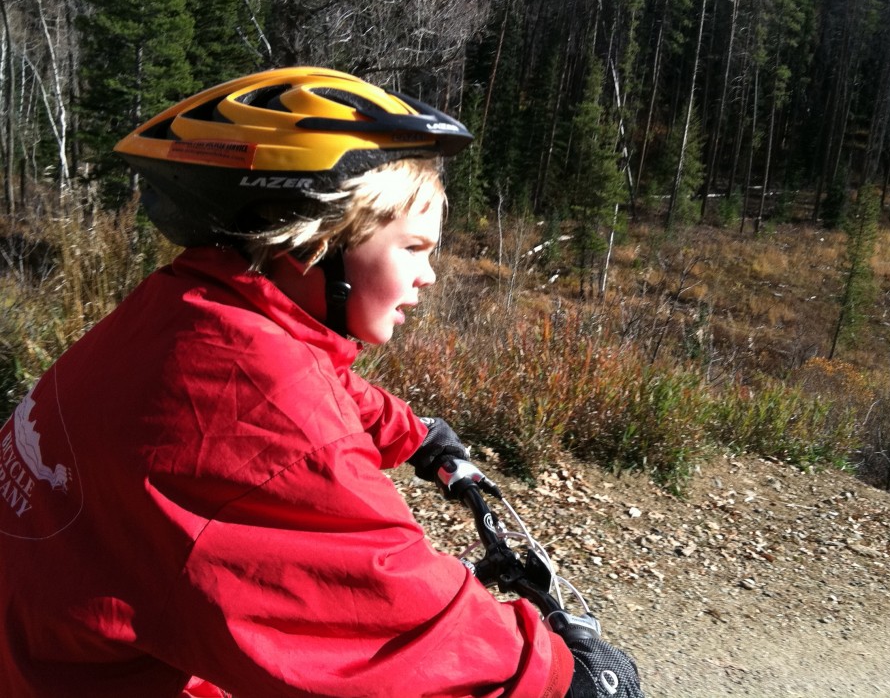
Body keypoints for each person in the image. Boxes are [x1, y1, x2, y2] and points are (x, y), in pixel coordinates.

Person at [0, 67, 642, 697]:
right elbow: (392, 624)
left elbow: (302, 384)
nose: (430, 277)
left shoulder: (189, 310)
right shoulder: (281, 437)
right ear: (313, 243)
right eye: (415, 248)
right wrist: (559, 676)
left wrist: (414, 434)